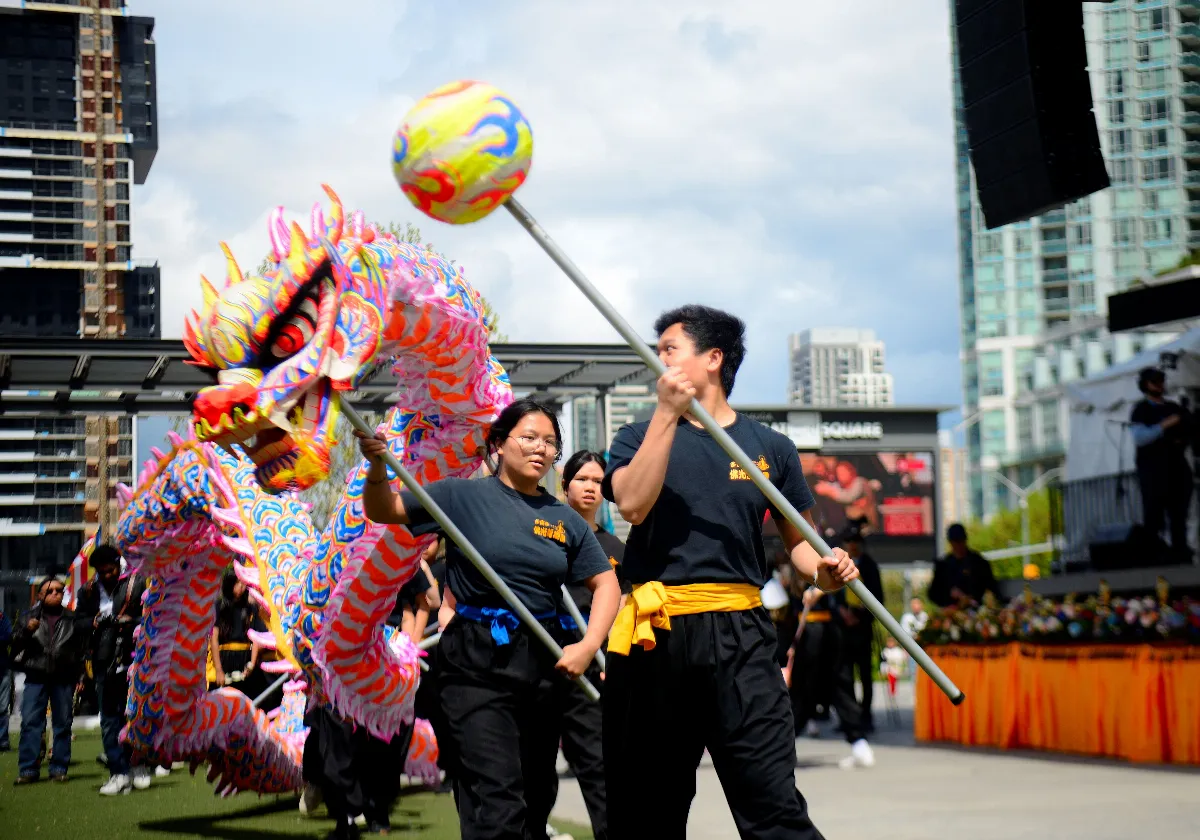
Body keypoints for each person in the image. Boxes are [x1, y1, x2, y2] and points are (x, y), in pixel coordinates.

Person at [601, 305, 863, 840]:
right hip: (658, 634)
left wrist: (827, 573)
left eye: (670, 348)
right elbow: (630, 504)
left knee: (772, 803)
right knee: (649, 808)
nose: (660, 359)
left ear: (713, 359)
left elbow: (803, 547)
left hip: (741, 636)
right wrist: (666, 416)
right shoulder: (636, 436)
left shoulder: (772, 448)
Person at [356, 398, 621, 840]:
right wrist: (378, 468)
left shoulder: (565, 520)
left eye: (550, 443)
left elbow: (606, 585)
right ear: (498, 443)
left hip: (542, 663)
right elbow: (385, 510)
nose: (540, 449)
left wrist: (588, 643)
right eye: (529, 437)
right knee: (498, 797)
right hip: (473, 664)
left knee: (536, 799)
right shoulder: (460, 495)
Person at [554, 448, 628, 840]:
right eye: (582, 479)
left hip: (598, 665)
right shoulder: (546, 536)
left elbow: (627, 607)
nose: (590, 488)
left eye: (598, 482)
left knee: (599, 766)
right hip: (548, 659)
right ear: (564, 485)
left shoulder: (616, 549)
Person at [75, 544, 150, 795]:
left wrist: (131, 622)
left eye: (110, 570)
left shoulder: (137, 584)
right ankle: (118, 773)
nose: (106, 576)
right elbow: (78, 623)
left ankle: (136, 764)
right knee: (109, 720)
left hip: (134, 659)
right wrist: (94, 621)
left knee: (134, 716)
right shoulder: (87, 591)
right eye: (102, 572)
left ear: (119, 565)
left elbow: (152, 618)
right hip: (103, 661)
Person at [11, 577, 86, 784]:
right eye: (50, 590)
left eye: (59, 590)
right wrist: (27, 630)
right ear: (40, 596)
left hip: (64, 678)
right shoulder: (26, 617)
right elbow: (13, 646)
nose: (56, 594)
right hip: (36, 676)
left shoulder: (73, 618)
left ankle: (59, 768)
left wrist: (80, 676)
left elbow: (80, 651)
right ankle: (28, 770)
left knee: (63, 724)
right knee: (31, 723)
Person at [1130, 367, 1193, 558]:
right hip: (1153, 471)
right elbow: (1141, 437)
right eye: (1155, 382)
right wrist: (1165, 425)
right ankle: (1153, 554)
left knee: (1179, 513)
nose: (1160, 385)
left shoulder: (1173, 407)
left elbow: (1188, 430)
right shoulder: (1141, 409)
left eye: (1161, 381)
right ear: (1145, 385)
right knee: (1154, 514)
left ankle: (1180, 551)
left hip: (1177, 467)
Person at [835, 523, 883, 734]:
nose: (852, 546)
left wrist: (860, 616)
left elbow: (878, 598)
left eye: (855, 542)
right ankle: (849, 717)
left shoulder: (870, 565)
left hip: (862, 629)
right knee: (844, 676)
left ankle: (866, 715)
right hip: (843, 630)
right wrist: (841, 612)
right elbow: (831, 594)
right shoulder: (836, 564)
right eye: (848, 542)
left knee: (865, 675)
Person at [928, 523, 998, 608]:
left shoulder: (978, 563)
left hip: (977, 609)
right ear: (951, 543)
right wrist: (949, 593)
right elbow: (933, 594)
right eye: (955, 542)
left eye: (960, 541)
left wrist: (972, 597)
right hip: (952, 612)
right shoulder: (943, 566)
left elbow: (991, 588)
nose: (958, 545)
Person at [0, 605, 12, 752]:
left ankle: (3, 741)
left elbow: (8, 635)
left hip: (2, 667)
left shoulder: (2, 617)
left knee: (2, 708)